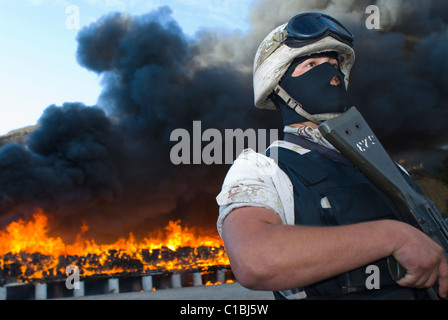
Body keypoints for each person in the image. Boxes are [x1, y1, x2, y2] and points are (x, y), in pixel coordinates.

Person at [216, 12, 448, 300]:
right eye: (311, 64)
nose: (331, 75)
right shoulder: (262, 169)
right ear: (277, 84)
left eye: (334, 65)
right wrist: (392, 237)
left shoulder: (392, 169)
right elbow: (255, 261)